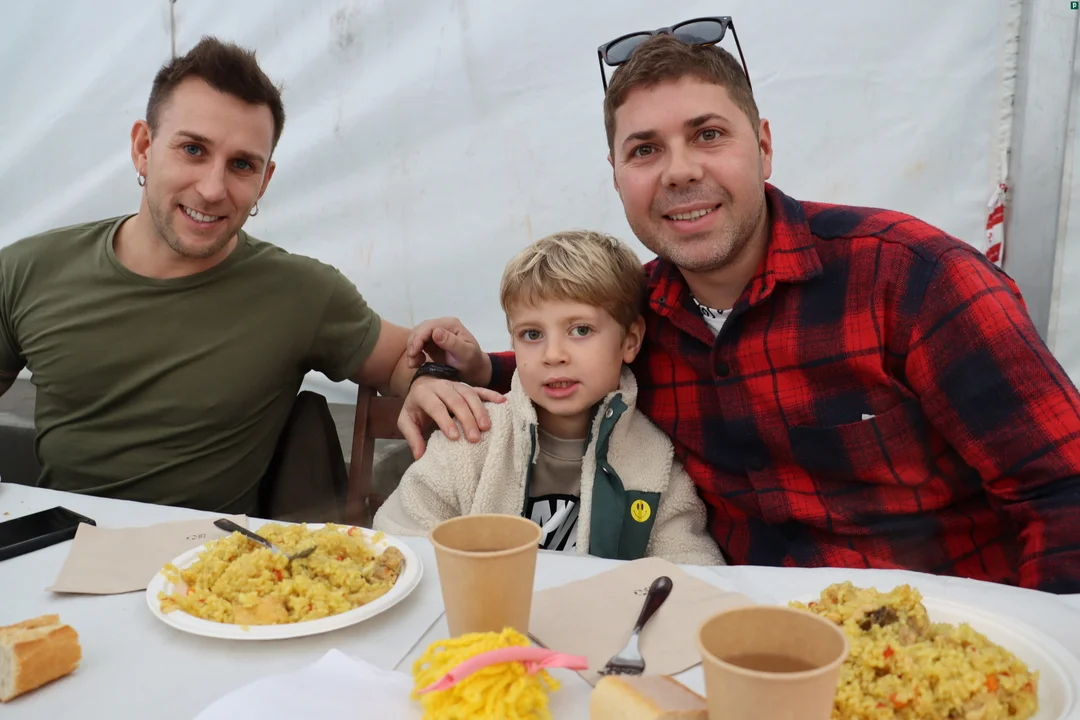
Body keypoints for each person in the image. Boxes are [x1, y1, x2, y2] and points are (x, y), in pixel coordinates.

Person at [398, 30, 1080, 592]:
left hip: (938, 641)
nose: (679, 171)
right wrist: (453, 375)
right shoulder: (642, 311)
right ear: (617, 177)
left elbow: (1063, 491)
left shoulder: (912, 279)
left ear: (765, 147)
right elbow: (566, 359)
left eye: (708, 135)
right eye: (645, 150)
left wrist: (1048, 656)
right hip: (735, 641)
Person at [0, 37, 455, 514]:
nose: (213, 188)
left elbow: (403, 360)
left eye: (241, 165)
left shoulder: (300, 293)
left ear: (265, 180)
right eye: (193, 149)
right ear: (143, 148)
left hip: (215, 557)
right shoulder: (28, 271)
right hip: (58, 550)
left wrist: (429, 378)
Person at [374, 230, 723, 565]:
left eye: (581, 330)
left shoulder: (656, 460)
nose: (553, 355)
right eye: (532, 334)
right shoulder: (472, 439)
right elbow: (397, 541)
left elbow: (692, 566)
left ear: (630, 341)